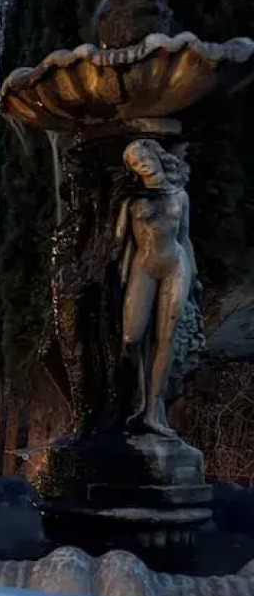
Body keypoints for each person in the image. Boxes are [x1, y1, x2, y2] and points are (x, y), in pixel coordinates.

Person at [116, 139, 195, 436]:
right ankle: (136, 401)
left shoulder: (180, 196)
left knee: (166, 339)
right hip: (144, 266)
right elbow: (120, 241)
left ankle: (153, 411)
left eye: (144, 157)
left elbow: (184, 237)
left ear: (155, 155)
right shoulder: (132, 201)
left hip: (175, 265)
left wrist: (194, 280)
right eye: (135, 164)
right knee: (131, 337)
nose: (143, 165)